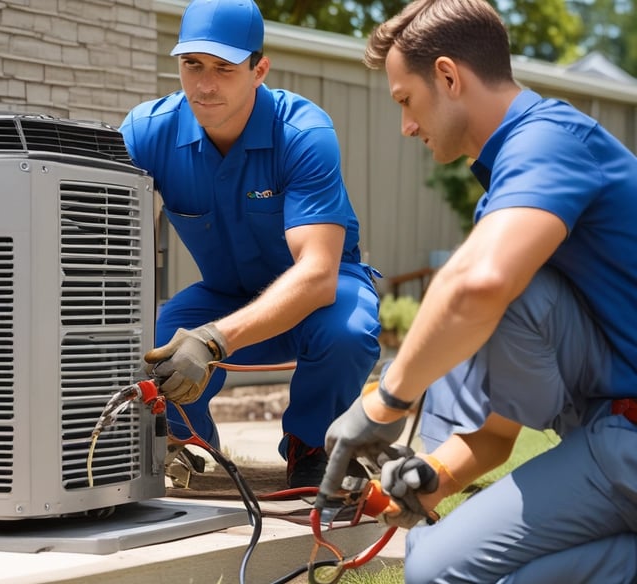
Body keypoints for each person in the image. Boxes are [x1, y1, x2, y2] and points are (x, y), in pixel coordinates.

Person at [317, 0, 637, 581]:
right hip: (608, 429)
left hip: (627, 438)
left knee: (436, 573)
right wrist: (431, 477)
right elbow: (494, 434)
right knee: (439, 557)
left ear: (447, 76)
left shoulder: (548, 142)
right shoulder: (520, 177)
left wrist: (386, 401)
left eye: (405, 101)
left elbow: (480, 285)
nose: (406, 126)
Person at [118, 0, 382, 488]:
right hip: (224, 293)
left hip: (319, 298)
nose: (204, 84)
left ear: (259, 69)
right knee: (149, 338)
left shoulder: (303, 133)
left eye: (224, 67)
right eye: (192, 64)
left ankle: (311, 448)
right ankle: (188, 445)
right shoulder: (147, 132)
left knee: (350, 328)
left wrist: (213, 339)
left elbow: (317, 275)